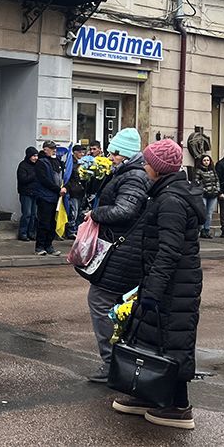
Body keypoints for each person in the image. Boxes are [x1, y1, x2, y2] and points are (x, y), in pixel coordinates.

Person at [111, 139, 204, 430]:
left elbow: (169, 250)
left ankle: (178, 406)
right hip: (168, 281)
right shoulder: (167, 193)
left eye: (148, 162)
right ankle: (153, 395)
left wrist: (152, 289)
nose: (144, 166)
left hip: (174, 284)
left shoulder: (171, 200)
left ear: (159, 169)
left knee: (173, 341)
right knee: (156, 337)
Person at [83, 127, 147, 382]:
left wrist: (95, 214)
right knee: (119, 305)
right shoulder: (129, 173)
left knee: (100, 301)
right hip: (128, 251)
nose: (110, 158)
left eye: (113, 154)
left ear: (125, 154)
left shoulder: (133, 176)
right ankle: (124, 361)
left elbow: (124, 211)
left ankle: (113, 363)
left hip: (124, 253)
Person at [33, 140, 64, 256]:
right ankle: (40, 246)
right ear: (45, 149)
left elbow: (61, 177)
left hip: (56, 197)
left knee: (52, 223)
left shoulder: (56, 161)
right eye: (51, 148)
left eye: (54, 148)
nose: (54, 150)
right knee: (44, 223)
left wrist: (63, 188)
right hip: (45, 197)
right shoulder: (41, 162)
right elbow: (44, 180)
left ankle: (49, 245)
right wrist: (58, 189)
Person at [191, 154, 219, 239]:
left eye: (208, 160)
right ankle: (201, 229)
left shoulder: (212, 170)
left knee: (209, 213)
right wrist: (204, 190)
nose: (206, 162)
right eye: (204, 160)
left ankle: (207, 230)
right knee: (202, 212)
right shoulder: (198, 171)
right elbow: (196, 183)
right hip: (203, 194)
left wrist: (217, 189)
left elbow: (217, 180)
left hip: (213, 194)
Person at [16, 147, 39, 242]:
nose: (35, 158)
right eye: (34, 156)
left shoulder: (37, 165)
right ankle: (23, 233)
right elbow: (22, 179)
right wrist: (34, 175)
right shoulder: (23, 165)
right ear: (29, 156)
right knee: (27, 214)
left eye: (36, 156)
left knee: (34, 214)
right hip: (26, 193)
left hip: (35, 192)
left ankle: (31, 232)